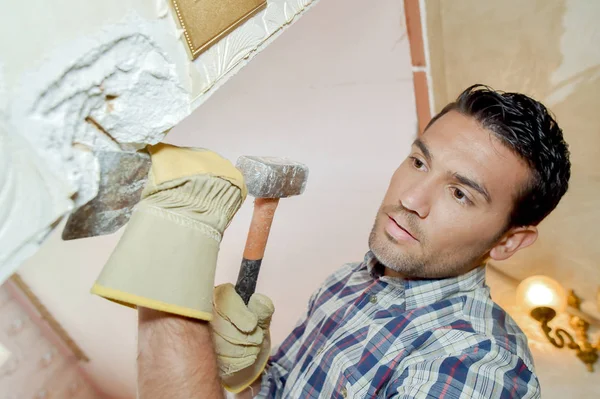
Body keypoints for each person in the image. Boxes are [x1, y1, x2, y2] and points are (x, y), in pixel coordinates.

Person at [92, 84, 571, 398]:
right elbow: (279, 389)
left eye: (461, 194)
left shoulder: (475, 365)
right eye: (419, 162)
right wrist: (250, 372)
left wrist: (180, 240)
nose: (410, 198)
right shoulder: (352, 280)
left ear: (508, 242)